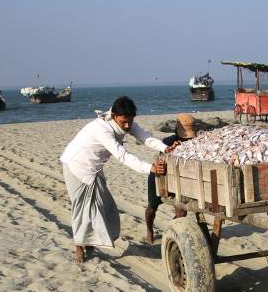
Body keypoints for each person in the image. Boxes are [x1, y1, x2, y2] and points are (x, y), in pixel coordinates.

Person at [59, 96, 168, 264]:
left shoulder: (126, 123)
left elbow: (145, 137)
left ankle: (90, 242)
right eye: (124, 121)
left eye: (130, 121)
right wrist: (150, 168)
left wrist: (166, 148)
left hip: (94, 169)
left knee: (103, 206)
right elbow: (122, 155)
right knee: (81, 209)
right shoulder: (102, 129)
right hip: (76, 165)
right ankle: (79, 245)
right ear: (115, 115)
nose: (127, 125)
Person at [145, 113, 197, 243]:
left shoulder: (195, 142)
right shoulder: (167, 142)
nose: (187, 139)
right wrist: (173, 149)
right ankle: (149, 230)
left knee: (181, 212)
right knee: (152, 206)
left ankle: (169, 231)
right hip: (160, 177)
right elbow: (162, 158)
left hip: (180, 180)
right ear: (176, 131)